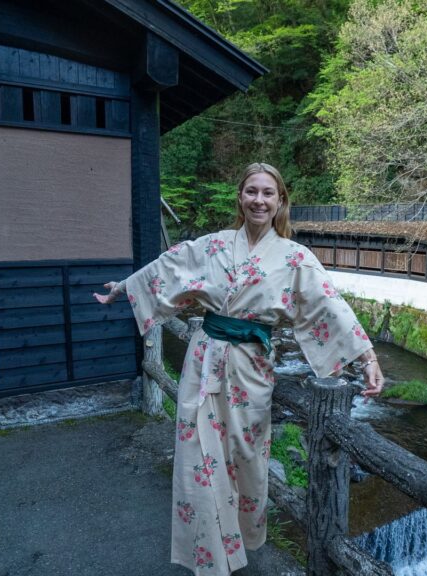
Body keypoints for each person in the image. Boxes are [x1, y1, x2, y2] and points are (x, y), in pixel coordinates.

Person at [93, 162, 385, 575]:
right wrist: (124, 288)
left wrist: (368, 359)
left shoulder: (295, 258)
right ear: (240, 197)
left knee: (245, 456)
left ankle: (239, 543)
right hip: (204, 358)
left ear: (281, 201)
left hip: (252, 366)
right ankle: (208, 556)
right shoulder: (213, 246)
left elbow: (329, 307)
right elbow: (170, 266)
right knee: (197, 455)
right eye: (252, 191)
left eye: (268, 193)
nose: (259, 200)